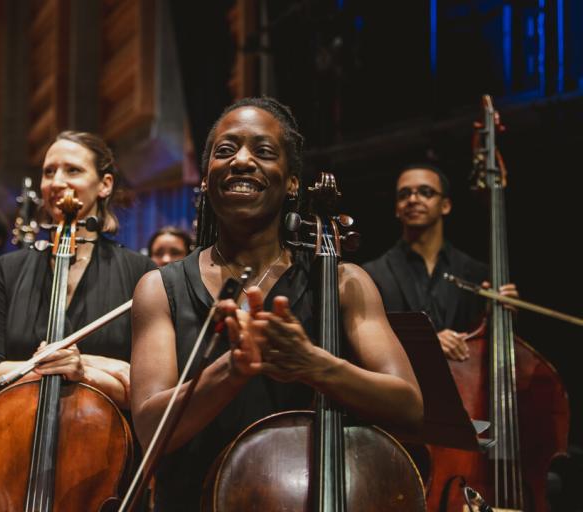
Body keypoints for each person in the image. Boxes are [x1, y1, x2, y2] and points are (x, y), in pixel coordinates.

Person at [129, 97, 423, 510]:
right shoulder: (159, 288)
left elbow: (409, 405)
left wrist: (313, 364)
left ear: (291, 183)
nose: (242, 161)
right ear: (206, 177)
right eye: (225, 150)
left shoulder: (343, 282)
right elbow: (149, 428)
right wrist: (232, 369)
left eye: (263, 151)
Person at [0, 130, 156, 409]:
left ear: (104, 184)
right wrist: (73, 367)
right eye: (48, 172)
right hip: (17, 428)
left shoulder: (141, 272)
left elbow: (150, 387)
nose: (56, 182)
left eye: (73, 170)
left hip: (108, 439)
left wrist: (83, 368)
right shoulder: (6, 270)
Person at [362, 164, 518, 361]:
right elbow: (368, 345)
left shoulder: (478, 273)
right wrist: (426, 345)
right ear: (396, 209)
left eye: (426, 192)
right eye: (404, 194)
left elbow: (485, 345)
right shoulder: (372, 274)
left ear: (445, 205)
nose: (412, 199)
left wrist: (498, 316)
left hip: (466, 386)